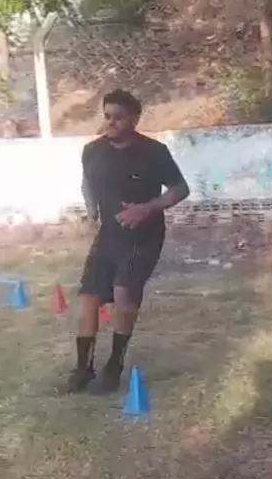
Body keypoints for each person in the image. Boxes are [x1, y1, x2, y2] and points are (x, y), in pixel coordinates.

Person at [66, 89, 189, 394]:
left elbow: (180, 189)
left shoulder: (154, 152)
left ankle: (114, 366)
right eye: (107, 116)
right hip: (108, 234)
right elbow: (87, 182)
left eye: (118, 118)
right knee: (89, 298)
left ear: (134, 119)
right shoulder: (92, 150)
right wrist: (91, 213)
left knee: (123, 296)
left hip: (143, 237)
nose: (111, 122)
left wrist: (146, 209)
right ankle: (83, 368)